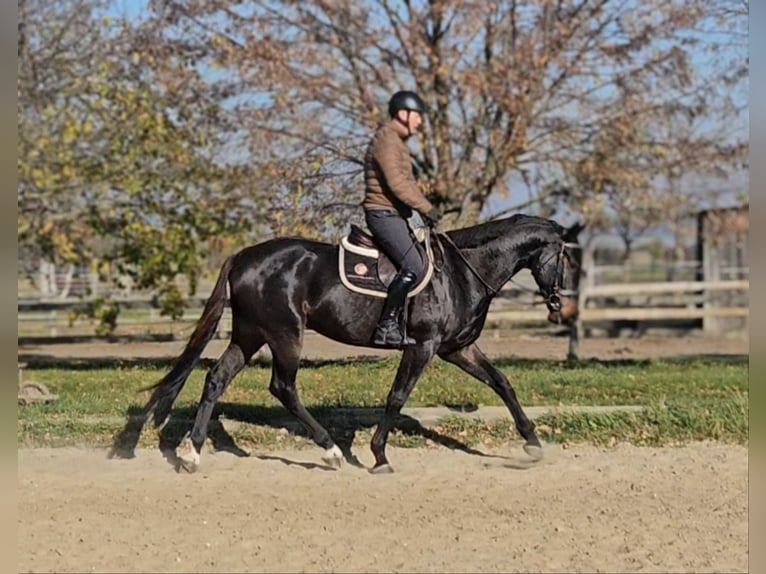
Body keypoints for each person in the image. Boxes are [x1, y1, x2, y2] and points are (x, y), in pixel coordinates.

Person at [362, 90, 441, 347]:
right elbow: (397, 184)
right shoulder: (387, 141)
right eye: (417, 116)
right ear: (402, 114)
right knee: (414, 265)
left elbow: (408, 183)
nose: (420, 122)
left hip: (394, 213)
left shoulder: (396, 142)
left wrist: (423, 210)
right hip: (383, 213)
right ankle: (386, 327)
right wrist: (426, 208)